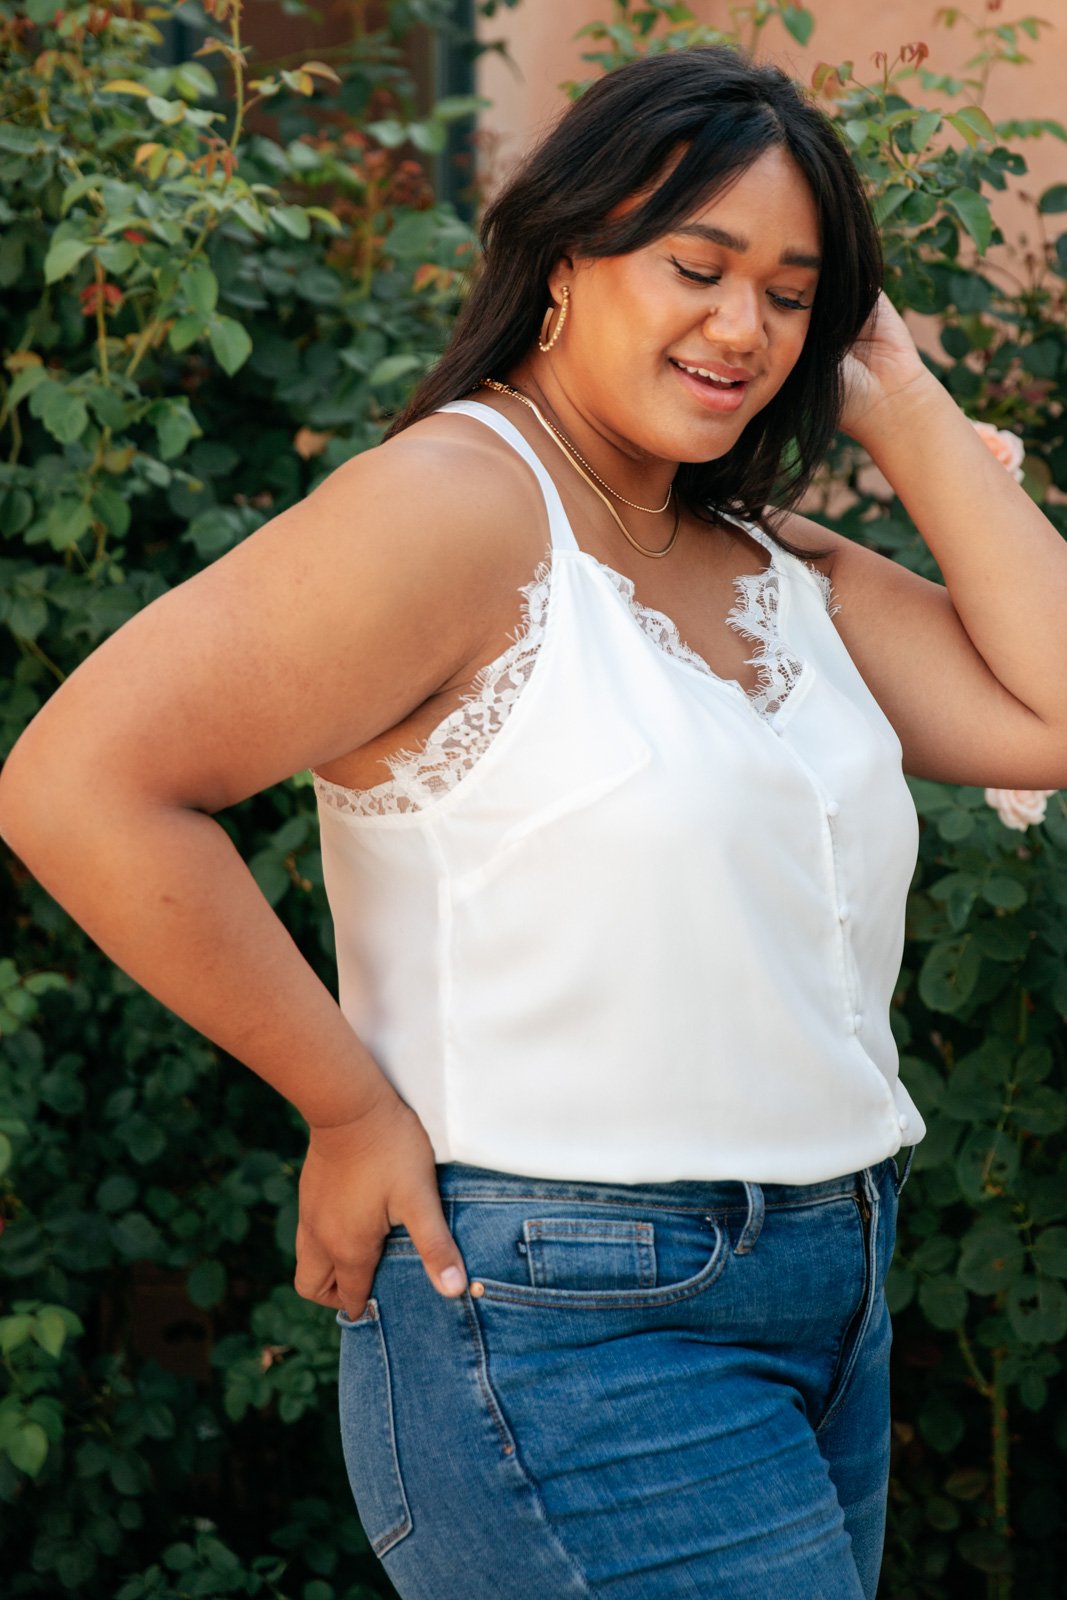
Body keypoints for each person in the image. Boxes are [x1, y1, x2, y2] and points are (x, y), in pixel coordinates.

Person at [2, 42, 1066, 1600]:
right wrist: (346, 1103)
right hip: (567, 1321)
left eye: (792, 291)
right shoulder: (455, 507)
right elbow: (75, 783)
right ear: (566, 256)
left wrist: (902, 403)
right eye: (697, 266)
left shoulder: (763, 553)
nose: (744, 326)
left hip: (833, 1282)